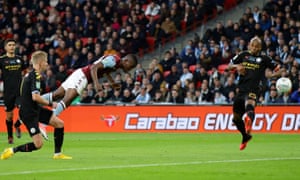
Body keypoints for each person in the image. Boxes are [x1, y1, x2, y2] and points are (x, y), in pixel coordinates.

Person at [41, 54, 138, 137]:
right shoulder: (113, 61)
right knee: (68, 99)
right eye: (131, 66)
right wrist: (96, 84)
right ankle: (44, 122)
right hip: (83, 76)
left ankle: (31, 101)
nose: (130, 69)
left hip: (80, 74)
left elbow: (104, 71)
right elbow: (94, 68)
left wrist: (112, 83)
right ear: (126, 61)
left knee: (56, 95)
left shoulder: (115, 63)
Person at [0, 50, 72, 160]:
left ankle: (57, 154)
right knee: (38, 144)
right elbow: (36, 97)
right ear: (40, 63)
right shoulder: (35, 76)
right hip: (28, 113)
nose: (47, 64)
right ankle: (11, 150)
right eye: (46, 62)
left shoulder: (30, 75)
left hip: (34, 109)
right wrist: (51, 104)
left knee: (59, 124)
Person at [227, 36, 282, 150]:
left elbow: (280, 69)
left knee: (250, 104)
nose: (254, 48)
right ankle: (245, 136)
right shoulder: (243, 55)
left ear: (260, 47)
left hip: (255, 88)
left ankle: (249, 120)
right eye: (252, 45)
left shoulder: (265, 58)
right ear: (249, 45)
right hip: (241, 89)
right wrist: (237, 66)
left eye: (256, 46)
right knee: (236, 118)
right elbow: (228, 67)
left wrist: (272, 75)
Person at [0, 39, 28, 144]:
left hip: (20, 91)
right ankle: (10, 136)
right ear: (5, 47)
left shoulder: (20, 59)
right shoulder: (2, 60)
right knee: (9, 116)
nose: (12, 47)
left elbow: (25, 73)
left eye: (13, 45)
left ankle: (17, 125)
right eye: (10, 45)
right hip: (8, 92)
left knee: (24, 111)